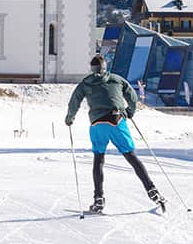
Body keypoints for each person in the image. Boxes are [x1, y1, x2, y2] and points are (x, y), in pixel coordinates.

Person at [65, 55, 164, 214]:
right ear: (105, 66)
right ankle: (152, 190)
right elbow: (131, 94)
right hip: (116, 120)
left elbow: (74, 101)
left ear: (92, 69)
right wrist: (130, 111)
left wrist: (70, 118)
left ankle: (98, 199)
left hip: (97, 124)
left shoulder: (86, 83)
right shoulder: (116, 79)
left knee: (99, 159)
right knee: (131, 156)